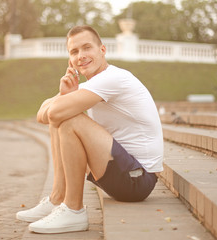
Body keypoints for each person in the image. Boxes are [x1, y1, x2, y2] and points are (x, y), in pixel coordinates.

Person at [16, 25, 164, 234]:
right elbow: (43, 115)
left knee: (69, 119)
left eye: (87, 48)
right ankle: (57, 199)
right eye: (74, 52)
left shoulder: (112, 78)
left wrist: (65, 99)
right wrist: (66, 94)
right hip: (124, 174)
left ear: (102, 50)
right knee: (61, 118)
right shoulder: (93, 84)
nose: (81, 56)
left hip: (137, 179)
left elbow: (52, 113)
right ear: (70, 59)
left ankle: (73, 210)